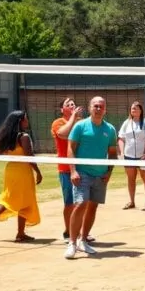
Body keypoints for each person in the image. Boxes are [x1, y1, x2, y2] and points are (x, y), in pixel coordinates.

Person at [65, 97, 116, 259]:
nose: (98, 108)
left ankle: (83, 240)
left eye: (101, 106)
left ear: (105, 109)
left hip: (100, 174)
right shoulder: (80, 126)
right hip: (83, 173)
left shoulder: (110, 129)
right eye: (96, 106)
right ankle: (72, 243)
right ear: (90, 108)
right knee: (80, 204)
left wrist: (109, 172)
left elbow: (113, 153)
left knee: (93, 207)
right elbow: (70, 148)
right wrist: (73, 171)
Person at [0, 111, 42, 242]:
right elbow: (29, 156)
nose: (27, 121)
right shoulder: (24, 137)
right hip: (23, 170)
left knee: (12, 196)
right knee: (20, 198)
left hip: (10, 169)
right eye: (26, 119)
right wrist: (38, 171)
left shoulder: (6, 137)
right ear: (20, 121)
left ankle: (20, 233)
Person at [52, 98, 82, 242]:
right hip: (66, 168)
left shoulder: (81, 123)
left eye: (73, 104)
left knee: (82, 202)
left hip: (81, 167)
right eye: (68, 104)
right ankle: (68, 231)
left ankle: (80, 232)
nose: (72, 105)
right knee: (69, 203)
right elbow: (62, 134)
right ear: (62, 110)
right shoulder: (58, 122)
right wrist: (73, 118)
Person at [118, 101, 145, 211]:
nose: (134, 110)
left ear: (141, 110)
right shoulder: (126, 123)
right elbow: (121, 138)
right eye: (133, 108)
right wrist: (121, 153)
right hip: (128, 155)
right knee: (131, 179)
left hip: (142, 156)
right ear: (130, 111)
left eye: (137, 108)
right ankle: (132, 202)